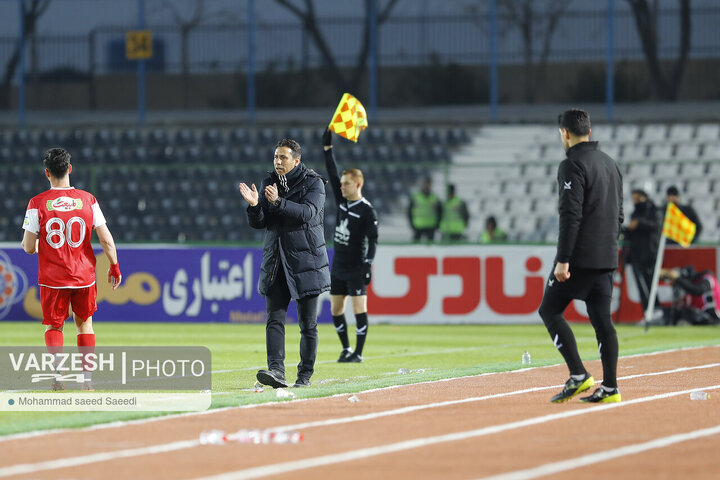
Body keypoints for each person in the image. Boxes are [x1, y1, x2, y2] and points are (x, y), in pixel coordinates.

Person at [538, 109, 624, 404]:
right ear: (588, 130)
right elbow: (619, 215)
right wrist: (609, 248)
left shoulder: (571, 164)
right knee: (602, 321)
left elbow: (570, 214)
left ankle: (578, 374)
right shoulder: (611, 164)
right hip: (606, 257)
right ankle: (611, 387)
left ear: (565, 133)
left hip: (579, 259)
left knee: (549, 310)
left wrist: (564, 259)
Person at [21, 148, 121, 391]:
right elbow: (106, 240)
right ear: (70, 169)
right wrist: (115, 266)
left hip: (53, 279)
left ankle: (58, 375)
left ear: (47, 173)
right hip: (83, 277)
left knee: (54, 326)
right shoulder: (88, 199)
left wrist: (32, 247)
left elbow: (28, 246)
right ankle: (87, 380)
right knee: (84, 324)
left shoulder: (36, 203)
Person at [238, 138, 330, 389]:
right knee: (274, 319)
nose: (278, 162)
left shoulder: (314, 183)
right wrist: (255, 207)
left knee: (307, 324)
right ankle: (276, 371)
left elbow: (307, 214)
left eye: (283, 158)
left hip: (306, 262)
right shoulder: (269, 182)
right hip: (276, 260)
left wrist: (278, 202)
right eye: (275, 157)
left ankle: (304, 376)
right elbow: (262, 223)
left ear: (297, 160)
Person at [322, 129, 379, 363]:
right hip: (338, 266)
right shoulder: (342, 202)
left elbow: (373, 240)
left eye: (347, 184)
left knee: (358, 310)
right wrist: (327, 148)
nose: (342, 187)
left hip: (356, 267)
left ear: (358, 184)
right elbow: (332, 172)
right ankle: (346, 349)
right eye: (342, 183)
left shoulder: (367, 210)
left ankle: (359, 352)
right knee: (336, 310)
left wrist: (368, 264)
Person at [624, 189, 660, 312]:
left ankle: (656, 309)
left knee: (651, 283)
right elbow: (632, 233)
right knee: (641, 285)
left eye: (637, 198)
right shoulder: (635, 213)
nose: (635, 201)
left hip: (650, 253)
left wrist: (639, 223)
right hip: (636, 253)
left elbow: (656, 226)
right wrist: (626, 231)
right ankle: (647, 311)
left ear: (644, 197)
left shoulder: (654, 211)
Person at [408, 177, 441, 242]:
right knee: (415, 247)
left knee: (431, 247)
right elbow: (409, 211)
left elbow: (439, 212)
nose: (428, 186)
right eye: (426, 184)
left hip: (431, 225)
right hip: (418, 225)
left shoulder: (435, 197)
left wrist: (437, 224)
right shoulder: (416, 197)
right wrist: (411, 223)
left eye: (429, 184)